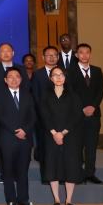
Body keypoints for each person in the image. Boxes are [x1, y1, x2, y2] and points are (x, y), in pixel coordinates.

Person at [40, 66, 84, 205]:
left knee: (70, 166)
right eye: (55, 75)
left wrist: (63, 133)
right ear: (50, 78)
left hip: (70, 136)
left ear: (65, 77)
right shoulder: (45, 95)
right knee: (52, 165)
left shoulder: (73, 95)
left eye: (61, 75)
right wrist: (54, 133)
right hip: (50, 135)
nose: (58, 77)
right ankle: (57, 199)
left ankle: (69, 200)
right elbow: (44, 115)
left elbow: (76, 115)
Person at [0, 67, 36, 205]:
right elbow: (0, 116)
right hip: (7, 138)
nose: (14, 79)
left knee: (23, 171)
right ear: (5, 80)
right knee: (8, 171)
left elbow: (33, 116)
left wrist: (25, 130)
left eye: (17, 76)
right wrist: (15, 131)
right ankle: (11, 200)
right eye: (10, 77)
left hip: (25, 138)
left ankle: (24, 199)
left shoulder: (27, 95)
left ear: (21, 79)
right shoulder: (0, 96)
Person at [68, 43, 103, 184]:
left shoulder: (97, 70)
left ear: (90, 54)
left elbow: (101, 90)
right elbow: (70, 92)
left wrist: (93, 106)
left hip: (94, 115)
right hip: (77, 115)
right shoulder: (70, 71)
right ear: (76, 55)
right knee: (77, 146)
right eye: (81, 52)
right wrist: (82, 108)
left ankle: (90, 173)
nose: (84, 55)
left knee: (91, 145)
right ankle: (78, 174)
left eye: (87, 52)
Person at [31, 46, 59, 182]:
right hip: (42, 118)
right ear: (43, 57)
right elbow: (35, 96)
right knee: (44, 148)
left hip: (60, 118)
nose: (52, 57)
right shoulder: (37, 74)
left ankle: (60, 175)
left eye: (54, 55)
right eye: (49, 55)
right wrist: (44, 113)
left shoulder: (63, 73)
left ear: (58, 57)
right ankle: (46, 176)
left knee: (59, 148)